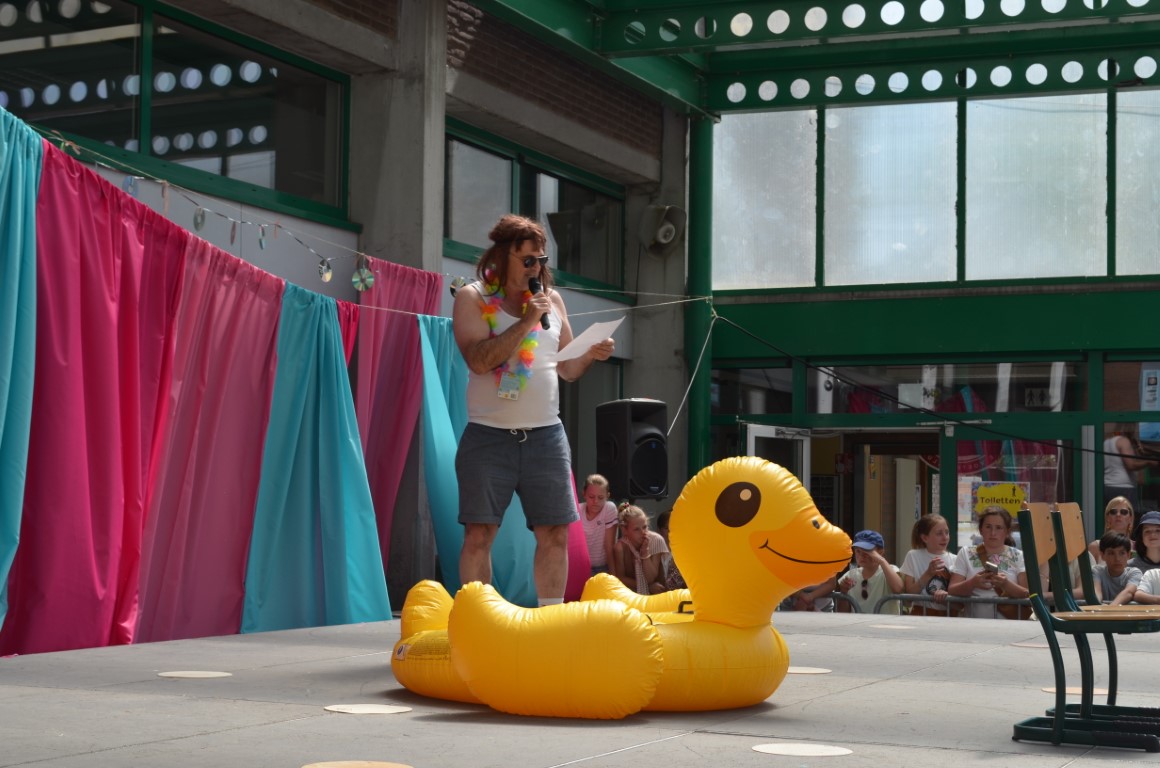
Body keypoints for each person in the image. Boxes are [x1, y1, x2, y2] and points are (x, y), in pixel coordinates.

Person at [453, 214, 615, 607]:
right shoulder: (473, 298)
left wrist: (592, 353)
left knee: (555, 533)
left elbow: (568, 369)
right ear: (501, 256)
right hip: (488, 435)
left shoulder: (552, 301)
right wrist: (526, 321)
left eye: (541, 260)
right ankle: (479, 617)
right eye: (527, 260)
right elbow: (479, 360)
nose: (536, 269)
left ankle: (549, 620)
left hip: (546, 436)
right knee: (479, 534)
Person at [949, 506, 1029, 619]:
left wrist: (1006, 584)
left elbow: (1027, 594)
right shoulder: (965, 552)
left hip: (1008, 626)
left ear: (1007, 532)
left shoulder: (1018, 556)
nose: (993, 533)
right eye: (988, 527)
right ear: (981, 530)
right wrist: (973, 583)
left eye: (999, 528)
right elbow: (952, 590)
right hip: (973, 625)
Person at [900, 514, 956, 616]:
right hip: (920, 615)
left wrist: (945, 597)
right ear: (925, 538)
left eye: (947, 532)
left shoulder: (955, 559)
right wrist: (928, 574)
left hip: (948, 616)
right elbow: (909, 593)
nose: (945, 537)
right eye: (939, 533)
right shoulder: (913, 556)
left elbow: (960, 603)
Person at [837, 530, 903, 614]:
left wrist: (881, 560)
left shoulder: (890, 570)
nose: (862, 556)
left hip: (885, 622)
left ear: (880, 552)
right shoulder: (850, 575)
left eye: (867, 551)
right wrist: (844, 592)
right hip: (858, 622)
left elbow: (898, 588)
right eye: (858, 551)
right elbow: (843, 612)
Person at [611, 504, 670, 595]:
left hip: (658, 592)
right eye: (636, 529)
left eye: (645, 527)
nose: (643, 532)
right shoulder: (620, 548)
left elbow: (651, 578)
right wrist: (647, 587)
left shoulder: (657, 540)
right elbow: (621, 578)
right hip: (633, 593)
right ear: (624, 530)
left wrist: (645, 554)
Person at [1103, 424, 1156, 511]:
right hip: (1123, 488)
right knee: (1128, 516)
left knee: (1112, 516)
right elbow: (1131, 465)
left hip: (1108, 486)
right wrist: (1148, 462)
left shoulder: (1106, 442)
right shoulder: (1123, 441)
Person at [579, 474, 618, 577]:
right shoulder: (577, 510)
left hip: (603, 568)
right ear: (584, 494)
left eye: (600, 497)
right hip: (581, 568)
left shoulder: (609, 508)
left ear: (607, 496)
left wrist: (613, 576)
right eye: (591, 497)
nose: (595, 501)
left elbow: (609, 546)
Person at [1090, 531, 1142, 606]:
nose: (1117, 558)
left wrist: (1110, 609)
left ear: (1128, 555)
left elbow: (1128, 592)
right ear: (1102, 555)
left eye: (1122, 553)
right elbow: (1096, 591)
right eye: (1111, 553)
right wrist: (1098, 605)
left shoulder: (1134, 573)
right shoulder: (1097, 571)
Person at [1089, 496, 1135, 564]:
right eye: (1113, 512)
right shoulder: (1095, 547)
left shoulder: (1138, 548)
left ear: (1130, 518)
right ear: (1107, 518)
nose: (1118, 515)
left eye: (1124, 512)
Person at [655, 509, 686, 590]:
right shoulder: (654, 550)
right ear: (659, 529)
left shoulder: (683, 551)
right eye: (666, 528)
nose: (670, 531)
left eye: (673, 528)